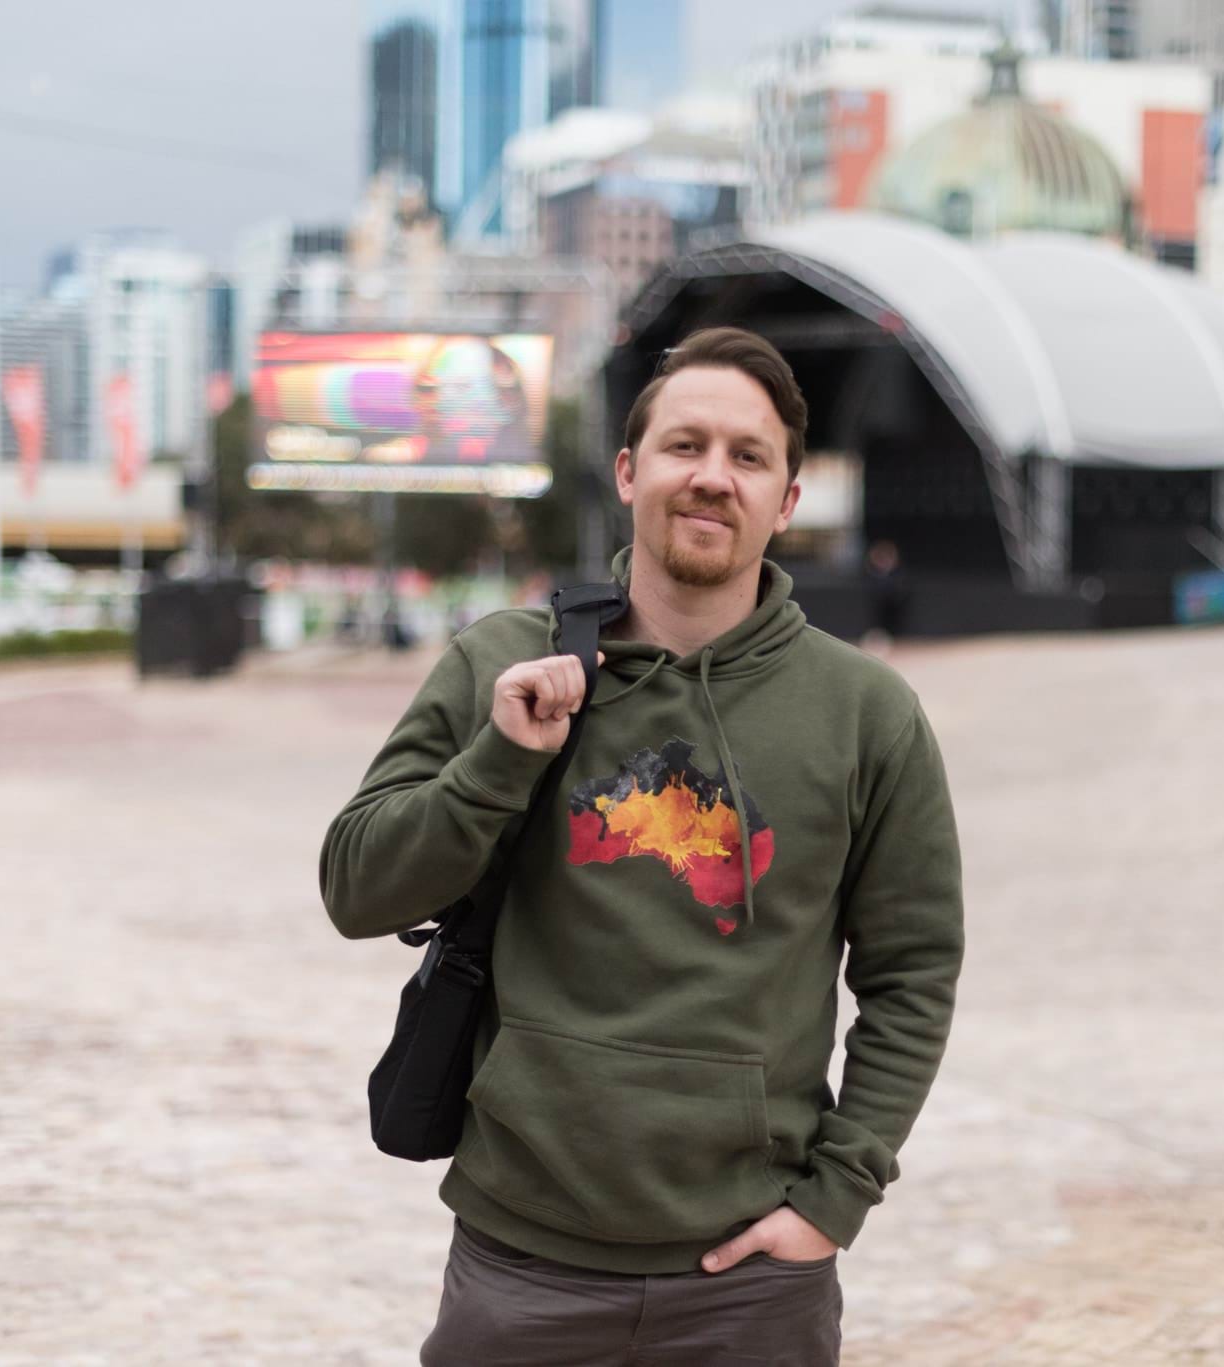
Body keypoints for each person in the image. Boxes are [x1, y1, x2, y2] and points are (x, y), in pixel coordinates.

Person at [320, 327, 965, 1366]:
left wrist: (832, 1201)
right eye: (683, 445)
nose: (712, 477)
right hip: (520, 1262)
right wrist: (497, 760)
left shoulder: (865, 714)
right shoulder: (502, 661)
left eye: (747, 456)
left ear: (786, 499)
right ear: (628, 471)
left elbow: (913, 973)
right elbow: (354, 885)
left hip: (750, 1287)